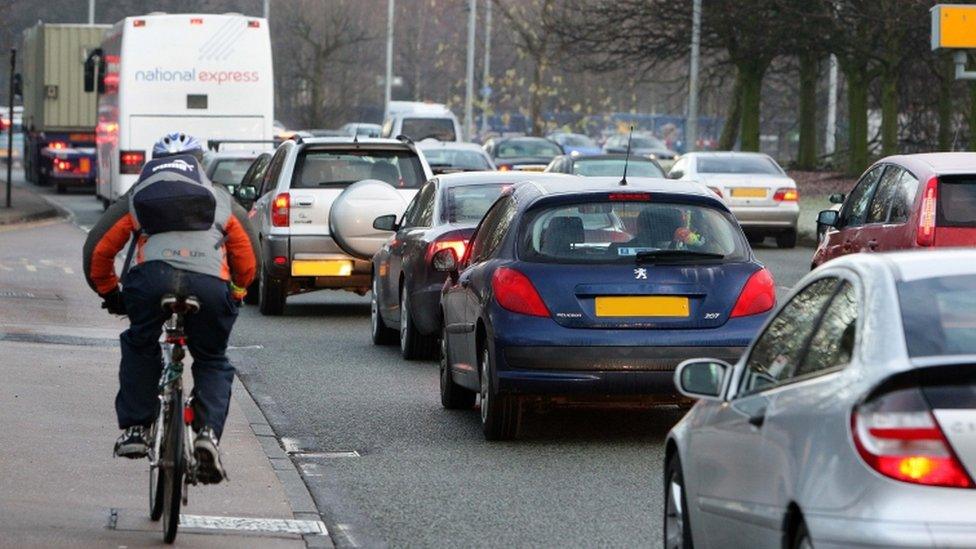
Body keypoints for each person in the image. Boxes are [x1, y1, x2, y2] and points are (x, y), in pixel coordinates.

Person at [82, 132, 260, 484]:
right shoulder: (220, 198)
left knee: (140, 341)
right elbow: (247, 252)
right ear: (201, 164)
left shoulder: (139, 194)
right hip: (209, 286)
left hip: (152, 281)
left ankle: (136, 428)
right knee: (211, 359)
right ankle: (207, 434)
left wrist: (110, 292)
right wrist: (237, 291)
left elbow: (98, 250)